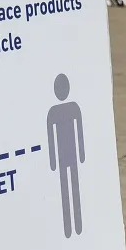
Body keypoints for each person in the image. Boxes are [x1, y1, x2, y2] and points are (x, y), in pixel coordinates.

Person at [46, 73, 85, 238]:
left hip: (70, 155)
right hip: (65, 156)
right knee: (66, 190)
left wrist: (81, 153)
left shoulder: (71, 108)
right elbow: (51, 137)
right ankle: (69, 228)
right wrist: (53, 160)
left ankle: (77, 225)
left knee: (73, 189)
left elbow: (79, 131)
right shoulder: (54, 112)